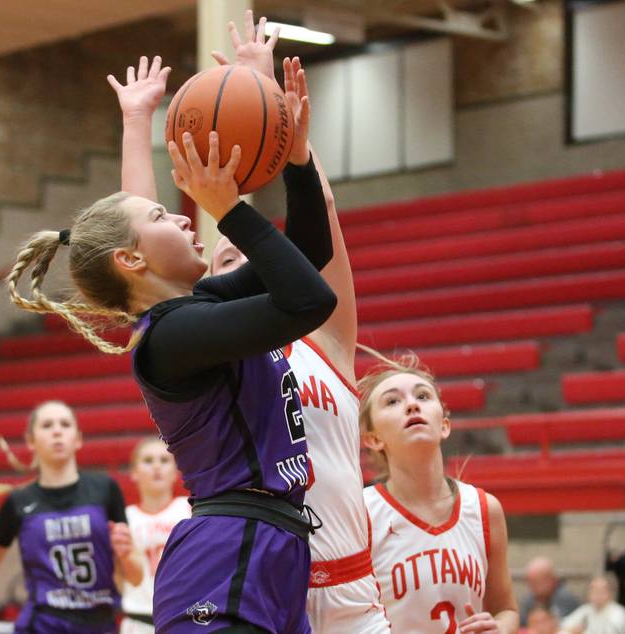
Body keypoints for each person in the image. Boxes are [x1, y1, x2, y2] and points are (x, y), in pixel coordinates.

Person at [8, 48, 336, 632]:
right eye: (164, 216)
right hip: (226, 551)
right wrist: (230, 211)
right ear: (131, 258)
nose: (187, 219)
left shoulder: (201, 308)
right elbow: (310, 302)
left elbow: (312, 255)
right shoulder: (173, 336)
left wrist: (297, 159)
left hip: (271, 545)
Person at [208, 12, 389, 633]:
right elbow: (147, 278)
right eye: (227, 256)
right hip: (262, 579)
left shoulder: (325, 340)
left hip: (351, 588)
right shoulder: (209, 357)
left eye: (254, 251)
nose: (244, 258)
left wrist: (275, 120)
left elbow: (324, 231)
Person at [360, 353, 519, 633]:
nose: (411, 405)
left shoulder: (484, 509)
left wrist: (500, 629)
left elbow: (506, 609)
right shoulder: (360, 514)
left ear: (444, 425)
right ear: (373, 439)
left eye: (422, 396)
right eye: (393, 401)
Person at [0, 401, 143, 633]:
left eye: (65, 424)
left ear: (78, 439)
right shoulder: (18, 502)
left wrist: (127, 555)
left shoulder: (106, 489)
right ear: (30, 441)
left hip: (99, 623)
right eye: (47, 425)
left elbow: (136, 577)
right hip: (43, 624)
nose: (57, 431)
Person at [120, 437, 190, 633]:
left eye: (164, 460)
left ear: (176, 471)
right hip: (139, 621)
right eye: (148, 461)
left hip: (184, 618)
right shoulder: (125, 518)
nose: (157, 466)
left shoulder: (190, 509)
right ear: (134, 472)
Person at [559, 575, 625, 634]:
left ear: (610, 593)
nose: (597, 595)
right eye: (593, 590)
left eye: (601, 591)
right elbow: (564, 625)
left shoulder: (618, 613)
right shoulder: (587, 609)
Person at [520, 557, 581, 625]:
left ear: (550, 579)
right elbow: (522, 624)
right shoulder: (530, 600)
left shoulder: (566, 599)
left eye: (536, 583)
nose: (532, 588)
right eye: (530, 583)